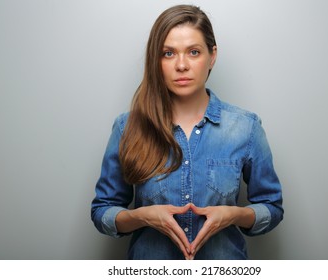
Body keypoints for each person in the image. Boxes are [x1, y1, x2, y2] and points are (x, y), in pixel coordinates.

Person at [91, 4, 283, 260]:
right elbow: (102, 211)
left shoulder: (245, 128)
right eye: (168, 53)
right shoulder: (127, 127)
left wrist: (234, 215)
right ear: (155, 60)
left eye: (194, 52)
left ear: (212, 56)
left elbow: (272, 208)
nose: (181, 65)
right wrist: (140, 217)